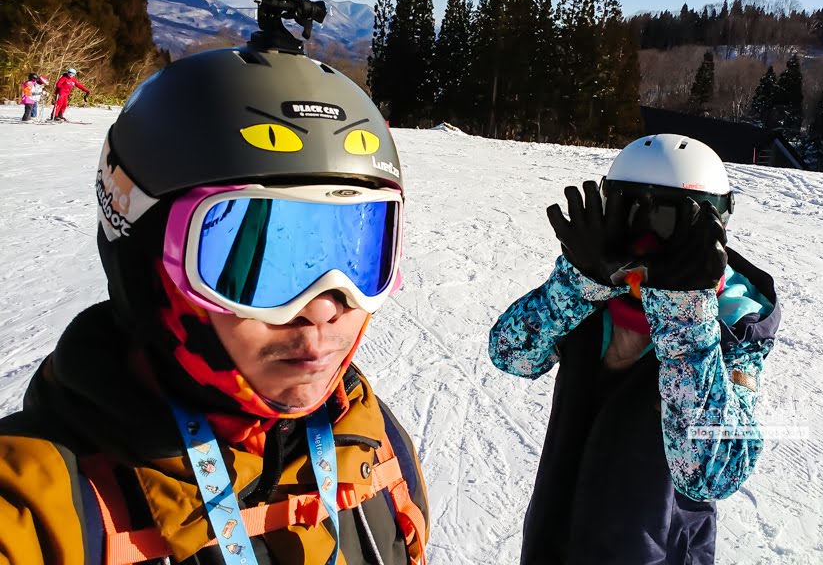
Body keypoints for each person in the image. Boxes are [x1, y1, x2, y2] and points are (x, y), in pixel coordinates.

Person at [0, 47, 429, 564]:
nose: (324, 308)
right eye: (261, 263)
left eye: (360, 254)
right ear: (149, 268)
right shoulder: (46, 513)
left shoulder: (377, 448)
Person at [490, 134, 781, 565]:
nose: (644, 243)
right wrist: (575, 282)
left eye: (666, 223)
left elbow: (714, 473)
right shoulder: (594, 294)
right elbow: (511, 354)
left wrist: (686, 317)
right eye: (629, 215)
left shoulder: (733, 325)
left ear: (712, 228)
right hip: (556, 540)